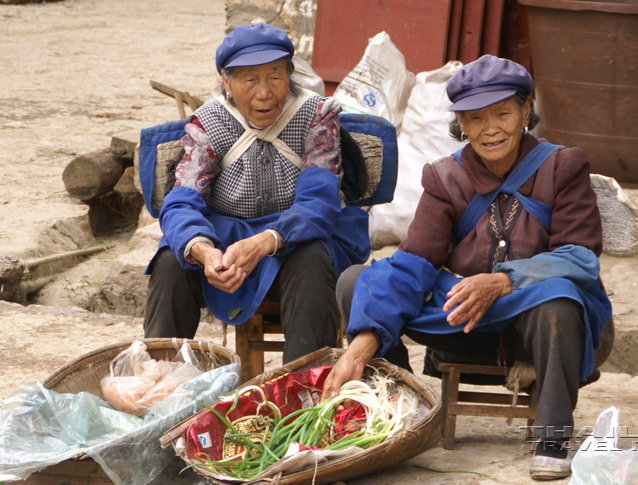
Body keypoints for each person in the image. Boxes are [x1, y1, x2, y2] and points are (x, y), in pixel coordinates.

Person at [322, 55, 612, 481]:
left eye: (503, 114)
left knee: (562, 299)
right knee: (359, 281)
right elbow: (415, 264)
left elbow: (579, 257)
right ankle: (402, 406)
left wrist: (501, 281)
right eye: (475, 118)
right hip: (463, 318)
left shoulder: (561, 166)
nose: (490, 129)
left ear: (525, 111)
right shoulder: (444, 178)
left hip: (534, 322)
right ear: (460, 123)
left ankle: (552, 439)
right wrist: (358, 348)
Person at [143, 23, 370, 364]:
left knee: (311, 259)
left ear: (289, 76)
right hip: (227, 243)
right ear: (226, 83)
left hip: (296, 240)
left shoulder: (316, 117)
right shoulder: (208, 123)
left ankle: (302, 389)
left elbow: (318, 205)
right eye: (249, 79)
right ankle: (158, 381)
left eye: (275, 77)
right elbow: (181, 203)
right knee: (170, 262)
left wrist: (266, 241)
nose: (264, 93)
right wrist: (205, 252)